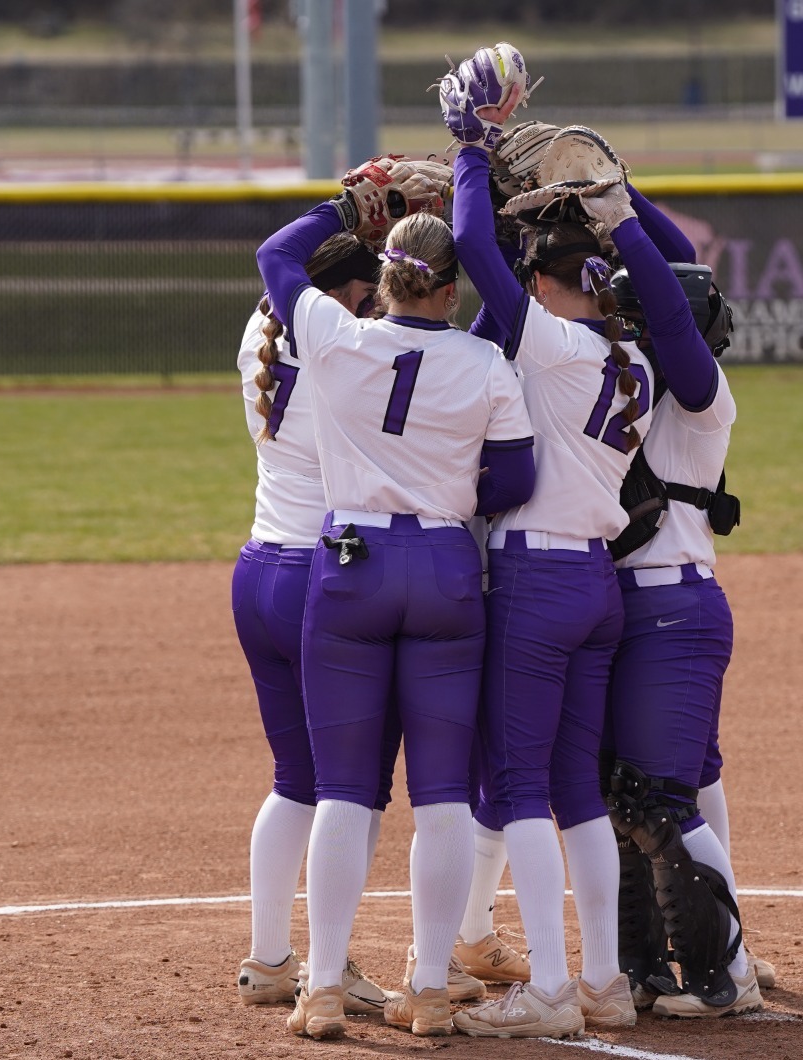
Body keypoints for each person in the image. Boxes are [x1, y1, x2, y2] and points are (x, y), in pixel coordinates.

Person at [256, 201, 536, 1041]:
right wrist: (450, 497)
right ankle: (427, 986)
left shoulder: (339, 338)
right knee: (444, 790)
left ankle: (324, 989)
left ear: (381, 277)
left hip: (350, 565)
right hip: (447, 567)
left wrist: (349, 201)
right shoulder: (485, 360)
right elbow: (514, 479)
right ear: (449, 290)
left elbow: (277, 255)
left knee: (345, 787)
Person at [434, 62, 652, 1038]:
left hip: (532, 580)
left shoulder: (552, 348)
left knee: (520, 783)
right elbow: (504, 258)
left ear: (539, 280)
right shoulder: (628, 357)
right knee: (574, 789)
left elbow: (472, 245)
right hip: (597, 586)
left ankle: (554, 993)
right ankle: (603, 980)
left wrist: (471, 150)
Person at [585, 180, 763, 1019]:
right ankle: (648, 966)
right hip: (629, 610)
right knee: (625, 797)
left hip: (673, 612)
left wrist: (622, 220)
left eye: (632, 319)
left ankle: (729, 969)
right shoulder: (619, 389)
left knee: (657, 802)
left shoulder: (699, 392)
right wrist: (616, 198)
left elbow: (675, 281)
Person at [230, 232, 402, 1014]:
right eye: (367, 297)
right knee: (353, 789)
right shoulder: (346, 352)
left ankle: (269, 958)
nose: (375, 309)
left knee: (294, 780)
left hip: (259, 569)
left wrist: (349, 207)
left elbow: (289, 266)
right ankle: (329, 965)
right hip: (320, 579)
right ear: (338, 299)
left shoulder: (260, 329)